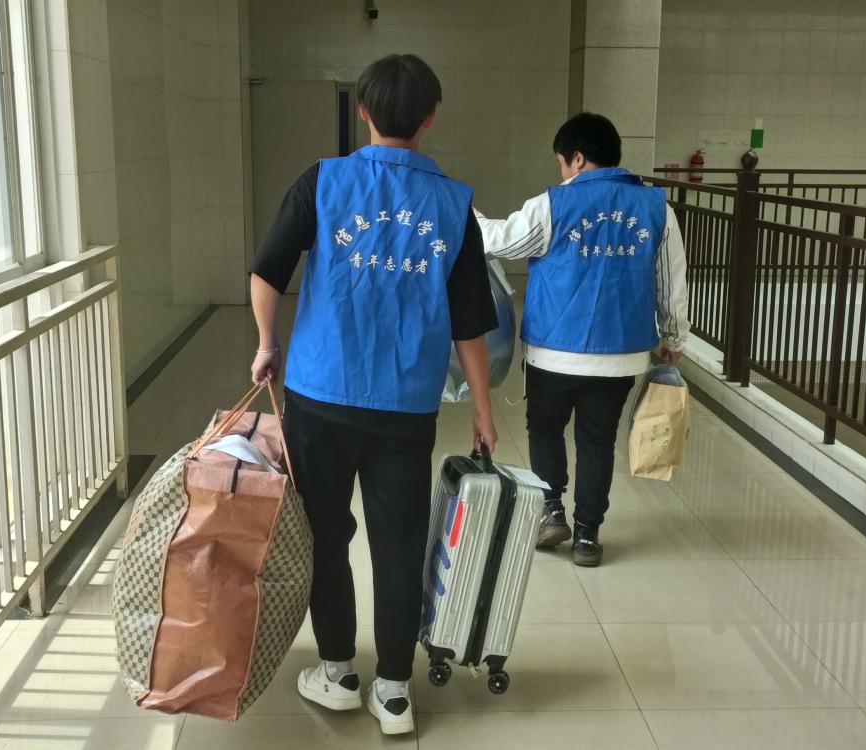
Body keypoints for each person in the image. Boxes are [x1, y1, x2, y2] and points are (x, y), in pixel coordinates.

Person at [248, 54, 498, 736]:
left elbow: (267, 272)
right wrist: (482, 410)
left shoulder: (322, 181)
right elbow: (469, 324)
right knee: (398, 543)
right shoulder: (454, 206)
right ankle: (393, 693)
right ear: (429, 118)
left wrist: (267, 343)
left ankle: (336, 673)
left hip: (320, 397)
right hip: (405, 406)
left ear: (362, 112)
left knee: (325, 535)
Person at [475, 112, 689, 567]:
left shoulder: (553, 204)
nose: (561, 173)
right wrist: (673, 337)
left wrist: (461, 214)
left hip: (553, 350)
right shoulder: (657, 208)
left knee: (545, 428)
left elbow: (501, 241)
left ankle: (551, 509)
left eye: (561, 163)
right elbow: (671, 280)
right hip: (621, 354)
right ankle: (588, 535)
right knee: (597, 440)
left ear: (576, 158)